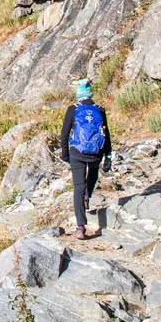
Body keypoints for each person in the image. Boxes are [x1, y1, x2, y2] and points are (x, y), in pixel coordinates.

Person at [59, 78, 111, 240]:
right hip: (96, 153)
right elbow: (106, 134)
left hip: (77, 153)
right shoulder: (100, 109)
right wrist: (108, 155)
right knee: (93, 171)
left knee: (78, 189)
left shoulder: (73, 109)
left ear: (78, 93)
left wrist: (65, 153)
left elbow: (64, 133)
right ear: (90, 93)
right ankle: (88, 194)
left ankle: (81, 227)